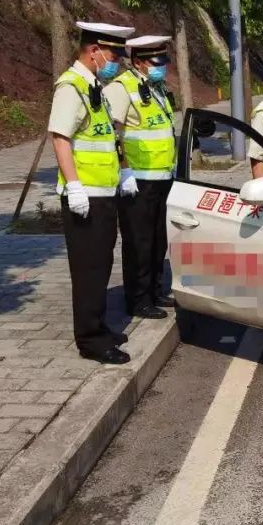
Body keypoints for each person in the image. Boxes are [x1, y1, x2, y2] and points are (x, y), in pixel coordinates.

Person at [49, 21, 136, 365]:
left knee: (101, 265)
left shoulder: (94, 87)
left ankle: (99, 326)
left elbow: (108, 137)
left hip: (104, 193)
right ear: (94, 51)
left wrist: (124, 169)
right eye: (113, 54)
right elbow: (60, 138)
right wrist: (73, 186)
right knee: (88, 269)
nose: (116, 61)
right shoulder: (71, 87)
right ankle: (90, 339)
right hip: (85, 196)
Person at [104, 34, 177, 320]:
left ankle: (155, 290)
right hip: (138, 180)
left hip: (162, 177)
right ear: (138, 63)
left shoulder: (156, 88)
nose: (161, 67)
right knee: (139, 241)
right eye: (155, 62)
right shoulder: (122, 88)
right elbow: (114, 132)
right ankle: (138, 299)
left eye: (163, 62)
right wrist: (124, 171)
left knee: (159, 239)